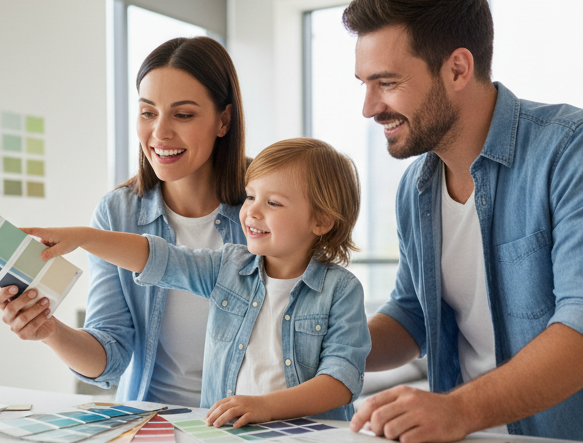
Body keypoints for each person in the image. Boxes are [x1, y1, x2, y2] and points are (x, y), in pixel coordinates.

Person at [342, 0, 583, 443]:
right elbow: (413, 315)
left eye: (387, 83)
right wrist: (322, 341)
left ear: (458, 68)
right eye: (365, 84)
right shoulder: (416, 187)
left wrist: (456, 410)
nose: (369, 108)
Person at [28, 138, 370, 426]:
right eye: (250, 196)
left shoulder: (342, 291)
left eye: (273, 203)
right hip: (228, 432)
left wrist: (265, 407)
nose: (252, 211)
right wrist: (85, 237)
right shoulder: (228, 267)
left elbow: (340, 380)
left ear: (321, 221)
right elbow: (160, 259)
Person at [0, 36, 248, 406]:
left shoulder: (267, 201)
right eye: (148, 113)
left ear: (223, 120)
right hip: (153, 419)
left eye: (183, 115)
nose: (160, 133)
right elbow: (110, 357)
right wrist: (49, 330)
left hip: (248, 422)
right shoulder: (118, 213)